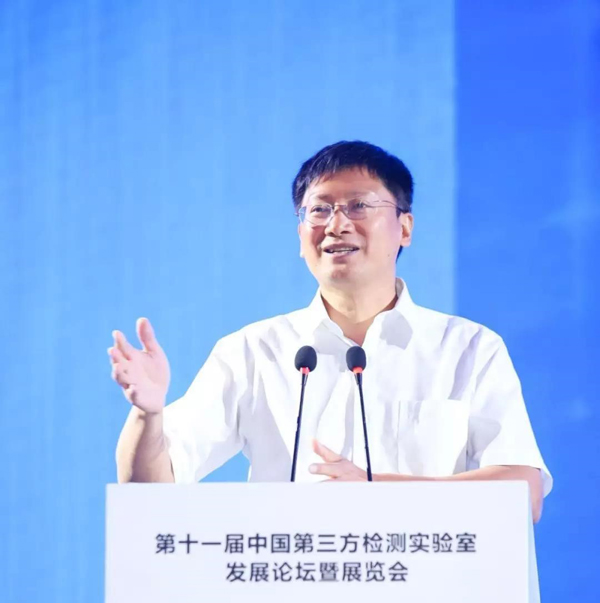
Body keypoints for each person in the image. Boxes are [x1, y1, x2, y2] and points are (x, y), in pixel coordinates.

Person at [109, 140, 551, 521]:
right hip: (292, 589)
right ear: (300, 236)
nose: (336, 225)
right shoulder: (252, 352)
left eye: (359, 206)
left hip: (429, 592)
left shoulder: (467, 348)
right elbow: (151, 490)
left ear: (405, 227)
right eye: (319, 210)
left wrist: (378, 491)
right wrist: (148, 414)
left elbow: (522, 494)